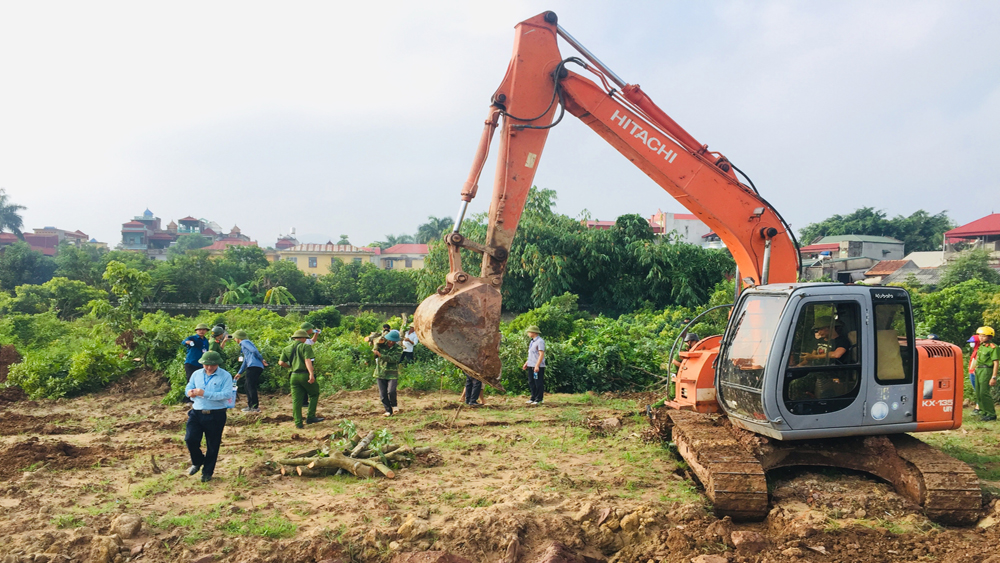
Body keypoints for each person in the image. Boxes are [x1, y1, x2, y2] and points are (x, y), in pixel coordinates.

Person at [184, 351, 234, 482]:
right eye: (206, 365)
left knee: (213, 444)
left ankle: (207, 472)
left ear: (218, 364)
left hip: (216, 413)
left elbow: (227, 394)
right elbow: (189, 386)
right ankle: (197, 460)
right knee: (190, 439)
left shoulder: (225, 376)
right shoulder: (196, 374)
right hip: (197, 412)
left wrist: (205, 393)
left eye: (212, 365)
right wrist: (189, 392)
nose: (209, 368)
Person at [279, 329, 324, 429]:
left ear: (294, 338)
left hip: (293, 376)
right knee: (314, 393)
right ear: (303, 338)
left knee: (296, 400)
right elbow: (307, 360)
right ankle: (311, 417)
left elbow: (281, 363)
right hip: (304, 374)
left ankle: (298, 423)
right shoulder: (305, 347)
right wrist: (311, 374)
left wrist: (290, 367)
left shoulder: (286, 348)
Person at [233, 330, 266, 413]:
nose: (234, 339)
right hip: (253, 366)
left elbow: (254, 351)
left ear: (238, 338)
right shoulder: (244, 346)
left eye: (235, 337)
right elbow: (245, 361)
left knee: (250, 386)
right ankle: (251, 406)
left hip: (254, 366)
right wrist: (239, 372)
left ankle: (254, 407)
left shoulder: (244, 342)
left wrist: (262, 359)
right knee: (247, 386)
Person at [373, 329, 403, 416]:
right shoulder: (381, 345)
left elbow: (394, 359)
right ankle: (388, 411)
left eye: (393, 341)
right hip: (380, 372)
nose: (390, 342)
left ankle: (394, 405)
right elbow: (375, 345)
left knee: (391, 391)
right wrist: (377, 344)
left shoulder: (399, 349)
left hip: (392, 373)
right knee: (383, 394)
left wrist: (381, 355)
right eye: (389, 340)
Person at [974, 326, 999, 422]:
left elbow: (996, 363)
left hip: (987, 370)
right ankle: (984, 411)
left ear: (989, 337)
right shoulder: (981, 346)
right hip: (979, 370)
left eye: (984, 336)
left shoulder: (993, 347)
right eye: (980, 335)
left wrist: (993, 377)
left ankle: (991, 414)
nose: (981, 338)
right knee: (978, 392)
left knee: (984, 392)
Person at [181, 324, 211, 402]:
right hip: (191, 363)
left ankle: (197, 396)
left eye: (203, 329)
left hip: (201, 364)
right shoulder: (192, 338)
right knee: (190, 380)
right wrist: (189, 342)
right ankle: (188, 398)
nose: (201, 331)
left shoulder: (206, 340)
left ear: (206, 331)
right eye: (200, 329)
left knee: (200, 381)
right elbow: (184, 342)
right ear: (196, 331)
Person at [521, 325, 546, 405]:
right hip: (531, 364)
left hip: (537, 366)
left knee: (538, 382)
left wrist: (537, 365)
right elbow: (531, 354)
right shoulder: (532, 342)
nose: (528, 333)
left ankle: (539, 398)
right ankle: (533, 397)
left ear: (534, 332)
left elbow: (541, 354)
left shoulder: (540, 341)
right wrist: (527, 363)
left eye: (529, 332)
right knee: (531, 381)